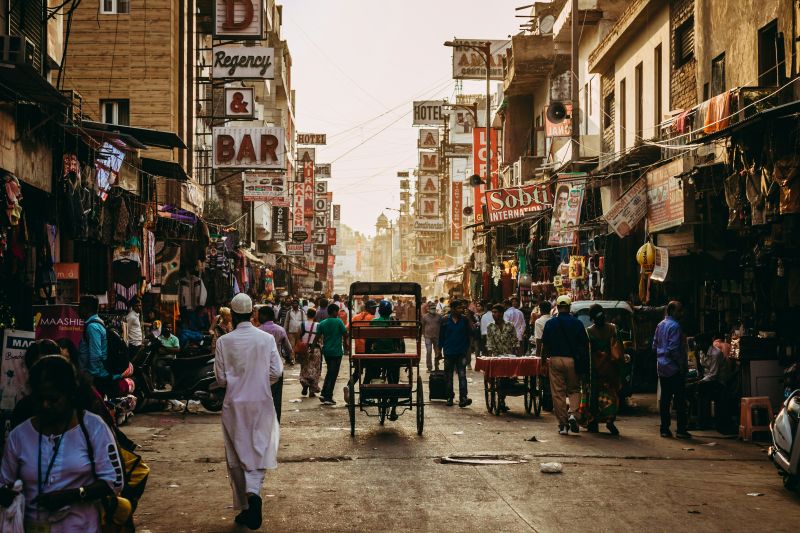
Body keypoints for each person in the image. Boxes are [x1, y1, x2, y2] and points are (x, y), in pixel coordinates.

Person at [0, 356, 123, 532]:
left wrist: (74, 495)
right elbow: (5, 480)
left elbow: (113, 482)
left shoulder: (93, 428)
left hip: (83, 527)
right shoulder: (18, 436)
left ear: (70, 395)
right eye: (40, 398)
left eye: (53, 399)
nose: (45, 405)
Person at [214, 293, 283, 530]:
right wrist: (259, 383)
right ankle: (253, 494)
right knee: (259, 450)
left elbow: (221, 380)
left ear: (232, 315)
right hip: (261, 403)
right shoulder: (266, 339)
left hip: (234, 406)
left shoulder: (224, 342)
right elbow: (276, 372)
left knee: (236, 455)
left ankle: (247, 504)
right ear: (252, 313)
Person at [541, 295, 589, 435]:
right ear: (568, 307)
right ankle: (573, 414)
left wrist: (543, 362)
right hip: (572, 361)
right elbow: (584, 345)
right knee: (574, 389)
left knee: (558, 393)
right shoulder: (577, 323)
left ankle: (563, 424)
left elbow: (545, 345)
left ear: (557, 307)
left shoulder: (550, 323)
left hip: (555, 360)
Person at [653, 301, 691, 439]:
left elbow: (654, 345)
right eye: (679, 310)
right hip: (673, 368)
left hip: (662, 367)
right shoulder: (675, 326)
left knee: (665, 399)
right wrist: (681, 365)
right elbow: (674, 349)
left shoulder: (660, 325)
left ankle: (664, 429)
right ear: (673, 311)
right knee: (680, 400)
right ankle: (681, 430)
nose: (682, 313)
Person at [364, 300, 405, 421]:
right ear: (391, 311)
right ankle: (393, 409)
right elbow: (400, 342)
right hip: (393, 357)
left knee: (372, 371)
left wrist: (367, 355)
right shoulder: (395, 322)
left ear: (379, 311)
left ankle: (368, 391)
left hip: (377, 357)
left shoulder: (374, 322)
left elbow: (369, 341)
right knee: (395, 380)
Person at [586, 304, 622, 435]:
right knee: (612, 394)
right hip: (610, 368)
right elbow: (619, 351)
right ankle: (610, 419)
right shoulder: (613, 329)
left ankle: (593, 422)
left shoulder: (589, 331)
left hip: (595, 369)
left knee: (594, 396)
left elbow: (587, 352)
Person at [438, 299, 473, 408]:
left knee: (462, 375)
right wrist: (439, 351)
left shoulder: (465, 320)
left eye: (461, 308)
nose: (461, 310)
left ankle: (463, 398)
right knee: (448, 376)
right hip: (449, 352)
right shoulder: (444, 320)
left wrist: (468, 351)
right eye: (458, 308)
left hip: (461, 352)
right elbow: (441, 337)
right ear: (452, 309)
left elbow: (471, 334)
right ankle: (449, 397)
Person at [486, 304, 519, 413]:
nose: (494, 314)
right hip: (496, 357)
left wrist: (516, 356)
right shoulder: (490, 326)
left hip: (508, 357)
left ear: (501, 313)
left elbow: (515, 341)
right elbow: (489, 342)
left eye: (496, 312)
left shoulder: (510, 326)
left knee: (507, 379)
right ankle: (499, 400)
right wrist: (490, 357)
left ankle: (502, 400)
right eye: (493, 312)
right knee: (496, 379)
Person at [78, 295, 112, 394]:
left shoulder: (92, 327)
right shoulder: (98, 322)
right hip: (100, 374)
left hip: (98, 376)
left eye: (81, 306)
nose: (79, 309)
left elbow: (96, 354)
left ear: (87, 308)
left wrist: (92, 376)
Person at [316, 303, 348, 405]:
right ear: (334, 311)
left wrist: (312, 347)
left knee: (329, 372)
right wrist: (346, 346)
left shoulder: (322, 323)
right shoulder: (338, 321)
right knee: (333, 374)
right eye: (337, 311)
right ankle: (328, 396)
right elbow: (345, 334)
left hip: (327, 351)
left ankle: (324, 393)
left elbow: (317, 337)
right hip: (336, 352)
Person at [298, 308, 321, 397]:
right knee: (315, 369)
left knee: (304, 368)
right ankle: (312, 390)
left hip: (304, 349)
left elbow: (298, 337)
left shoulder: (302, 325)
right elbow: (321, 338)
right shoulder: (318, 325)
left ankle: (305, 383)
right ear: (315, 315)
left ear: (307, 315)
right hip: (315, 349)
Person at [421, 302, 442, 372]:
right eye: (432, 308)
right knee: (429, 351)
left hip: (437, 337)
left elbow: (441, 326)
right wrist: (424, 334)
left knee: (437, 352)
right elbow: (422, 326)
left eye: (434, 308)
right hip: (428, 337)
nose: (433, 310)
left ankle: (437, 366)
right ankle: (429, 367)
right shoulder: (425, 317)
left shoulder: (439, 316)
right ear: (429, 309)